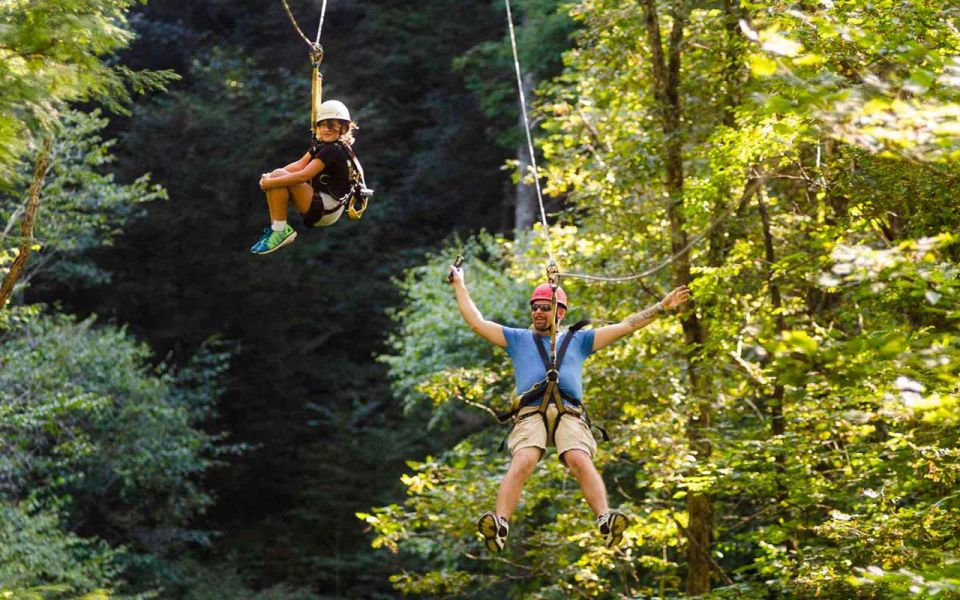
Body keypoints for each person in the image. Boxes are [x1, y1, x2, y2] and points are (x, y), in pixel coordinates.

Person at [448, 265, 691, 551]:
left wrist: (661, 307)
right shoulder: (517, 339)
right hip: (531, 412)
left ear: (560, 312)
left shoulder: (580, 340)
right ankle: (500, 524)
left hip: (570, 414)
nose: (538, 312)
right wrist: (459, 284)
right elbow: (477, 323)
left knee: (579, 458)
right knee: (524, 459)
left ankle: (605, 518)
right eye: (535, 308)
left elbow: (627, 325)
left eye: (545, 307)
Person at [250, 99, 358, 255]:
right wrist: (271, 176)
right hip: (322, 205)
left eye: (331, 125)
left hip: (327, 208)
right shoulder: (323, 146)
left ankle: (279, 230)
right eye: (321, 125)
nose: (325, 129)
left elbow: (303, 176)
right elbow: (299, 165)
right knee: (278, 176)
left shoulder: (332, 151)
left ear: (343, 127)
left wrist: (270, 182)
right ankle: (278, 230)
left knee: (277, 181)